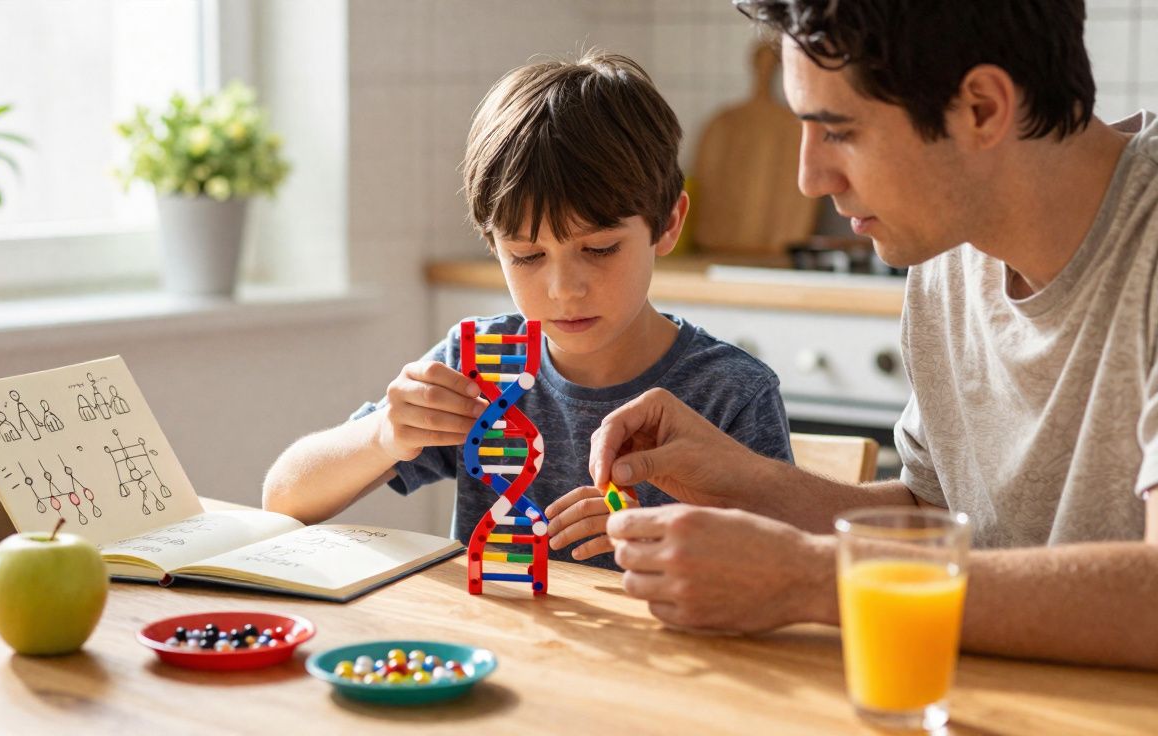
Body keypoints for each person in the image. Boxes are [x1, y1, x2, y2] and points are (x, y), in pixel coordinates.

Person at [590, 0, 1158, 669]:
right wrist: (743, 483)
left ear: (980, 109)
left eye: (839, 131)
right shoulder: (947, 248)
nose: (808, 179)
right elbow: (932, 516)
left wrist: (812, 578)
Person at [263, 51, 793, 570]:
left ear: (669, 223)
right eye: (528, 256)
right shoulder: (481, 368)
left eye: (600, 249)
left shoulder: (729, 393)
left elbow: (782, 570)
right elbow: (284, 499)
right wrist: (383, 434)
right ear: (493, 246)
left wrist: (653, 538)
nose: (564, 289)